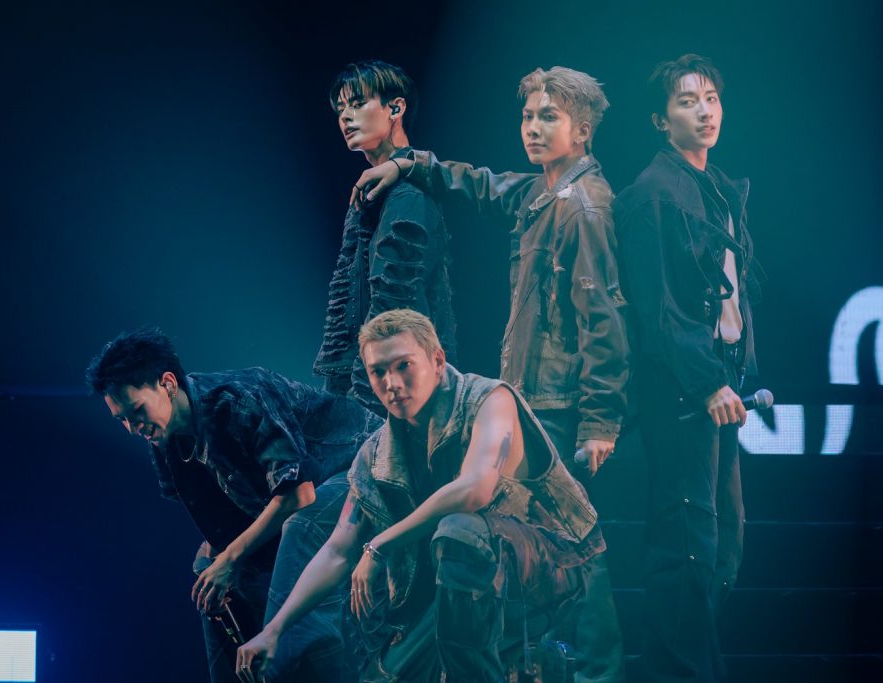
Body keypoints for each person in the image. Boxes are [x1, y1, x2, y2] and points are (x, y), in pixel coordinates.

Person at [351, 66, 628, 682]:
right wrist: (410, 164)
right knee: (524, 544)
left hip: (559, 402)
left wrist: (600, 420)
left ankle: (598, 673)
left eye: (549, 116)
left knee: (572, 540)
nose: (533, 127)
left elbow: (603, 318)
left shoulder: (583, 206)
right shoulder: (542, 193)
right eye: (528, 116)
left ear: (582, 130)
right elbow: (480, 184)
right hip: (531, 395)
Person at [236, 309, 605, 683]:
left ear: (438, 361)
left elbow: (474, 490)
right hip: (460, 594)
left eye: (404, 366)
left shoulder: (489, 400)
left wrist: (379, 545)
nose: (392, 383)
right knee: (382, 678)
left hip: (555, 566)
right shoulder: (375, 456)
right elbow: (336, 551)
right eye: (378, 372)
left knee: (459, 532)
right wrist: (274, 630)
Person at [86, 328, 382, 683]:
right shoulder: (163, 440)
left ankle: (288, 655)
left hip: (356, 469)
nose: (132, 428)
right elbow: (218, 524)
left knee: (296, 530)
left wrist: (230, 558)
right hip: (293, 501)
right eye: (121, 420)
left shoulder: (239, 400)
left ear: (167, 384)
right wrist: (217, 568)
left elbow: (299, 494)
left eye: (136, 411)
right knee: (209, 573)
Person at [613, 54, 762, 682]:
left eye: (712, 99)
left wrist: (733, 371)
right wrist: (706, 382)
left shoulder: (714, 186)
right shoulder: (652, 193)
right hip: (682, 391)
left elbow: (731, 291)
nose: (705, 111)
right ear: (660, 119)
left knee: (722, 544)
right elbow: (659, 310)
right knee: (685, 548)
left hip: (716, 382)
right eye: (687, 101)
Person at [315, 60, 457, 417]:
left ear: (395, 108)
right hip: (368, 380)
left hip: (390, 388)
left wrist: (365, 393)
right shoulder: (373, 191)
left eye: (357, 103)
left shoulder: (408, 192)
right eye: (341, 109)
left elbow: (394, 304)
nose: (345, 117)